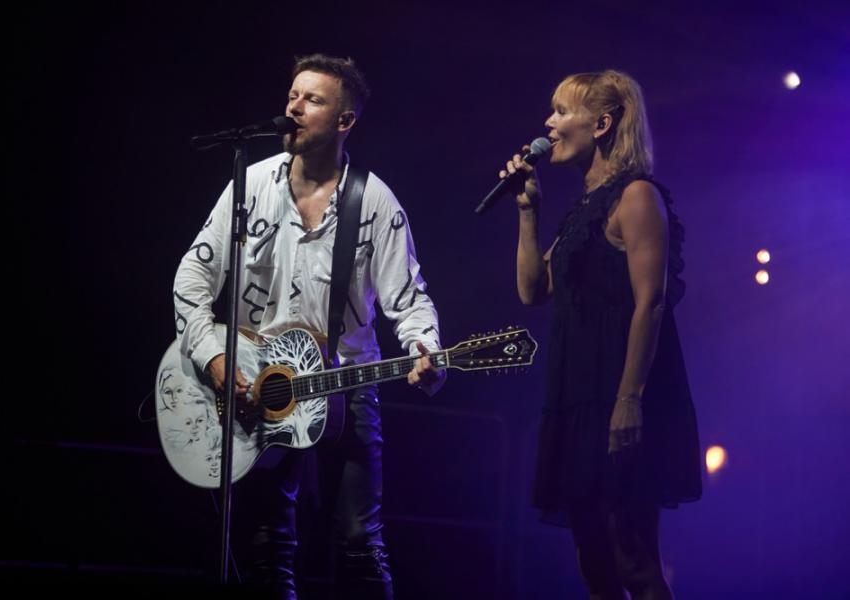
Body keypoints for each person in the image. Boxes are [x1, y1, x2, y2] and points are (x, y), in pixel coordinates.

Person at [173, 54, 445, 599]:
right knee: (267, 545)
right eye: (293, 95)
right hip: (257, 386)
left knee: (358, 543)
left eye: (312, 100)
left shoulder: (373, 200)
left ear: (345, 120)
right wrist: (215, 357)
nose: (294, 107)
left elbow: (408, 299)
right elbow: (193, 275)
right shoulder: (251, 184)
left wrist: (425, 347)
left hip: (345, 384)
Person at [502, 70, 702, 599]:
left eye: (562, 111)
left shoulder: (636, 197)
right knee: (594, 563)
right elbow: (532, 290)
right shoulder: (584, 209)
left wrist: (628, 400)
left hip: (620, 391)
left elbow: (651, 302)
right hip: (578, 393)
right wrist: (528, 212)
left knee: (632, 558)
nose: (548, 123)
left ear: (602, 125)